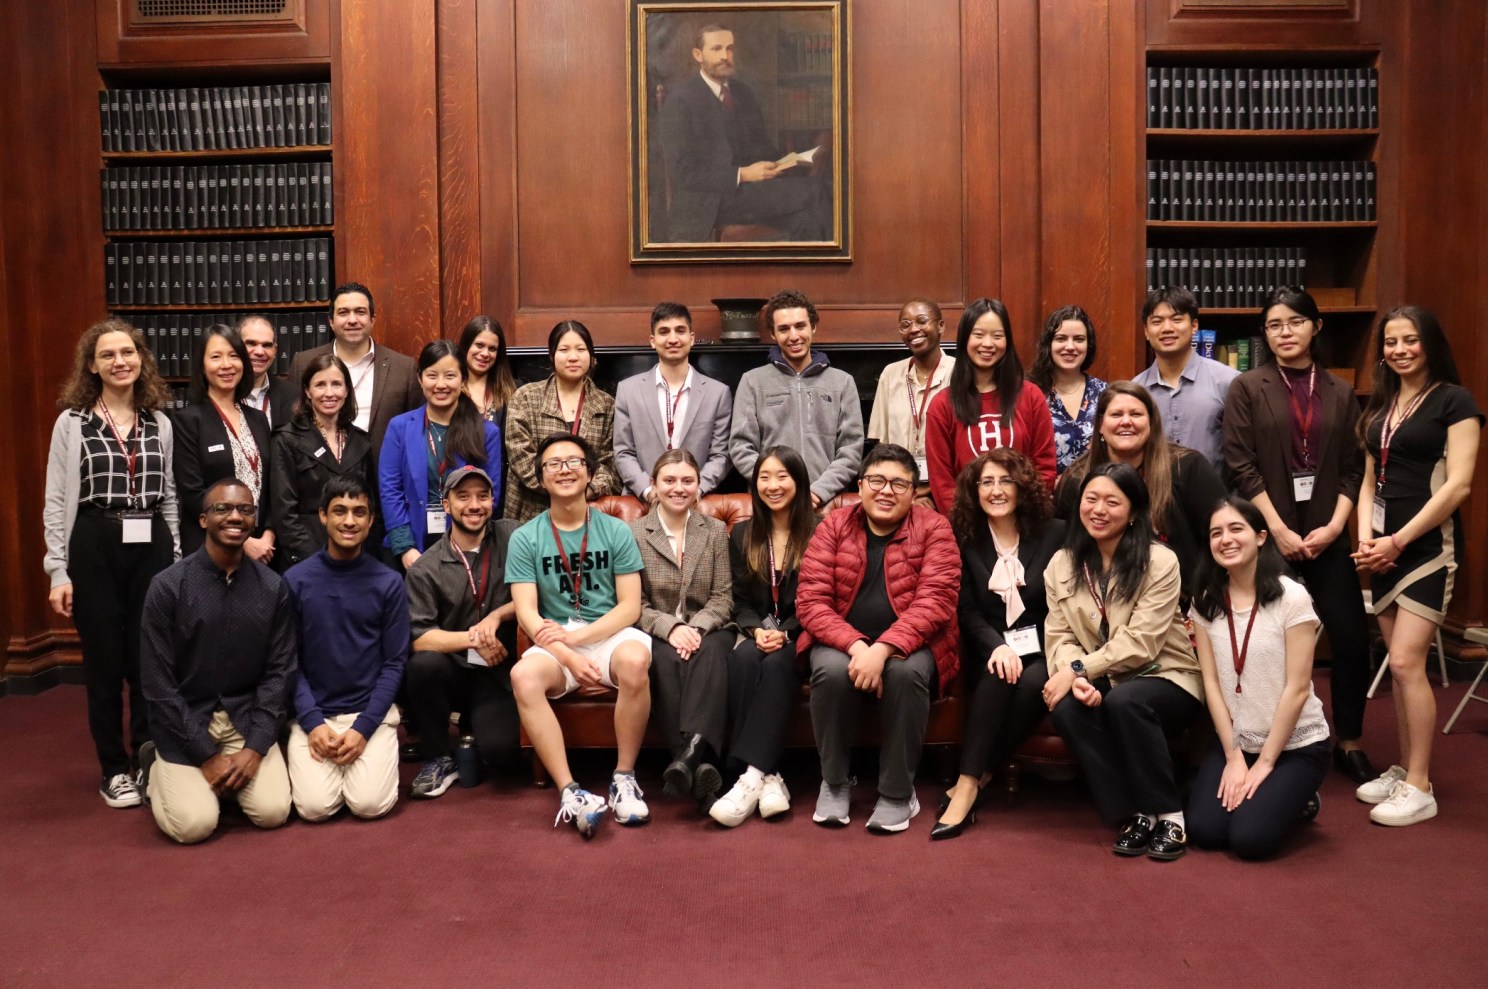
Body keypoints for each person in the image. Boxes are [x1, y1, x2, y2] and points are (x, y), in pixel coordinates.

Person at [1222, 287, 1376, 784]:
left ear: (1316, 327)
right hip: (1272, 539)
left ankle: (1348, 739)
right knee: (1270, 646)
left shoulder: (1339, 391)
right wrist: (1279, 530)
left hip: (1328, 536)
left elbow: (1354, 468)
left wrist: (1336, 525)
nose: (1284, 333)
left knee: (1352, 640)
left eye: (1294, 322)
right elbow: (1241, 466)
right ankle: (1273, 739)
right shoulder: (1248, 386)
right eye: (1273, 325)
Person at [1352, 305, 1482, 826]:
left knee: (1407, 663)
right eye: (1390, 342)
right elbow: (1366, 483)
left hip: (1426, 550)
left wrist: (1399, 541)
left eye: (1410, 340)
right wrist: (1365, 539)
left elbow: (1459, 484)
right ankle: (1405, 769)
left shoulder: (1455, 401)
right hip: (1380, 550)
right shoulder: (1380, 408)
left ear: (1430, 344)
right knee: (1398, 661)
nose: (1399, 350)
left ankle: (1421, 787)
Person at [44, 318, 181, 808]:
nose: (120, 362)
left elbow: (167, 498)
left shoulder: (158, 421)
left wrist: (178, 558)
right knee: (103, 662)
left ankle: (146, 758)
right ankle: (113, 768)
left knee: (149, 659)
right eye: (109, 355)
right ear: (92, 365)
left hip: (151, 544)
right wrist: (57, 569)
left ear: (141, 359)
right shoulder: (73, 422)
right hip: (94, 542)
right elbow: (57, 498)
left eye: (129, 352)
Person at [796, 443, 961, 834]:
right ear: (860, 484)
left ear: (915, 492)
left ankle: (898, 793)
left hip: (913, 644)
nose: (886, 491)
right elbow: (811, 601)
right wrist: (857, 647)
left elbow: (936, 602)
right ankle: (835, 783)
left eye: (899, 484)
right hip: (842, 642)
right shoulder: (833, 525)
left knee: (904, 675)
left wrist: (883, 648)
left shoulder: (935, 527)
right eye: (877, 480)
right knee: (833, 672)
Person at [1043, 463, 1204, 860]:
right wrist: (1073, 675)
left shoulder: (1160, 561)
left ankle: (1170, 815)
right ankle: (1136, 811)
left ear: (1133, 512)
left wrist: (1079, 670)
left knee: (1125, 700)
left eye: (1112, 502)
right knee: (1066, 705)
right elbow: (1060, 636)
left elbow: (1142, 643)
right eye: (1091, 499)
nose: (1099, 509)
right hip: (1104, 675)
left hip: (1168, 674)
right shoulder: (1061, 564)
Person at [506, 434, 653, 837]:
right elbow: (527, 613)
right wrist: (567, 654)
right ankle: (571, 792)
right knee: (522, 677)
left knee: (636, 662)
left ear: (590, 473)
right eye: (553, 464)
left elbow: (630, 607)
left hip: (609, 632)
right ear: (540, 478)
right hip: (554, 640)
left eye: (574, 462)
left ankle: (623, 778)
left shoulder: (616, 531)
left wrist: (580, 640)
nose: (565, 469)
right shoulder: (525, 538)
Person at [138, 478, 294, 844]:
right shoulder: (168, 586)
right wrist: (204, 755)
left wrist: (256, 747)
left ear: (254, 520)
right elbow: (157, 684)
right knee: (195, 826)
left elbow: (280, 673)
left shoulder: (273, 588)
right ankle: (156, 768)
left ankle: (224, 782)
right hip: (187, 720)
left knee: (273, 813)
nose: (234, 517)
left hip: (246, 717)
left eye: (244, 509)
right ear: (204, 519)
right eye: (222, 509)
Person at [1186, 496, 1330, 859]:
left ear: (1261, 537)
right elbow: (1213, 684)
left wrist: (1264, 763)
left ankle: (1300, 798)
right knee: (1205, 830)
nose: (1226, 539)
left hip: (1294, 746)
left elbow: (1297, 690)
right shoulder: (1206, 599)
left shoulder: (1291, 598)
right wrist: (1234, 756)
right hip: (1239, 743)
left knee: (1250, 841)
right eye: (1216, 533)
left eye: (1237, 529)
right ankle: (1271, 794)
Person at [933, 449, 1064, 839]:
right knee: (997, 674)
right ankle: (971, 782)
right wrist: (997, 647)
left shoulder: (1055, 533)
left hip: (1044, 645)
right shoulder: (964, 538)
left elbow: (1064, 605)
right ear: (974, 491)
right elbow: (967, 611)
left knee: (1029, 682)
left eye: (1005, 480)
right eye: (986, 482)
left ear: (1022, 487)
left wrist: (1031, 647)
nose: (996, 490)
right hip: (988, 645)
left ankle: (975, 778)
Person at [283, 476, 407, 822]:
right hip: (315, 713)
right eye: (339, 511)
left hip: (369, 713)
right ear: (323, 516)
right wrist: (312, 722)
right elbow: (289, 662)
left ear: (370, 521)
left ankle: (364, 761)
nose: (349, 521)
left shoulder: (389, 582)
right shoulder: (296, 580)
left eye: (358, 512)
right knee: (314, 808)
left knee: (368, 805)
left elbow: (394, 664)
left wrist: (364, 728)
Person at [710, 445, 817, 827]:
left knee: (776, 667)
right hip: (758, 632)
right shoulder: (741, 534)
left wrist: (786, 635)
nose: (772, 485)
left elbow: (821, 599)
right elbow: (740, 600)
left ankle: (748, 775)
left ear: (798, 481)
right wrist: (756, 630)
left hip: (806, 633)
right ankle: (770, 778)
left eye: (782, 476)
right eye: (764, 477)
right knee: (740, 659)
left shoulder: (821, 531)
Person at [403, 466, 522, 798]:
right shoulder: (426, 568)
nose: (474, 505)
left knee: (502, 755)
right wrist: (477, 638)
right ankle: (439, 755)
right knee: (423, 664)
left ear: (492, 501)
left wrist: (496, 616)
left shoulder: (514, 536)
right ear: (446, 504)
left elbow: (536, 593)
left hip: (498, 672)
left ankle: (475, 728)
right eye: (463, 496)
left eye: (483, 496)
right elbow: (421, 637)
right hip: (453, 669)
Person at [656, 22, 830, 242]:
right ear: (697, 54)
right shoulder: (682, 100)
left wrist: (790, 162)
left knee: (809, 219)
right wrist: (743, 174)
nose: (725, 56)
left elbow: (762, 149)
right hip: (708, 202)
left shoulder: (742, 93)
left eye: (730, 48)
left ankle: (807, 275)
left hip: (750, 193)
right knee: (816, 190)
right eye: (716, 49)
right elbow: (684, 172)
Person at [629, 450, 734, 811]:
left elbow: (723, 597)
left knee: (713, 653)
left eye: (687, 480)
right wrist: (670, 627)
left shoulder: (715, 530)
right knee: (664, 659)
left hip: (709, 626)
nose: (679, 488)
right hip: (657, 629)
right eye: (669, 480)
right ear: (654, 486)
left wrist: (696, 628)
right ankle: (700, 768)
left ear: (698, 486)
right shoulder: (634, 533)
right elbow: (634, 604)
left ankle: (685, 762)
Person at [1056, 381, 1225, 596]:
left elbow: (1221, 533)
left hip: (1182, 600)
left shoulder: (1187, 467)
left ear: (1151, 423)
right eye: (1116, 415)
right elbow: (1068, 548)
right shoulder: (1076, 478)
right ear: (1100, 425)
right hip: (1098, 601)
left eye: (1136, 414)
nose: (1126, 422)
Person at [730, 289, 864, 508]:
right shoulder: (753, 381)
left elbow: (851, 449)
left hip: (826, 505)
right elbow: (740, 447)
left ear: (813, 326)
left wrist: (818, 492)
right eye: (784, 329)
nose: (793, 336)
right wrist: (776, 487)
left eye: (800, 326)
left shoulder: (842, 382)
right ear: (773, 334)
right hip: (771, 502)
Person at [379, 340, 503, 570]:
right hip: (408, 547)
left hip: (466, 548)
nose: (440, 384)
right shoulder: (400, 427)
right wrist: (405, 548)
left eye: (450, 376)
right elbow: (390, 491)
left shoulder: (487, 433)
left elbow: (491, 494)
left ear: (463, 379)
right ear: (420, 378)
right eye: (432, 375)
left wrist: (464, 544)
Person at [924, 297, 1057, 510]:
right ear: (964, 339)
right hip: (966, 528)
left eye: (997, 336)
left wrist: (1018, 515)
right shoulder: (942, 405)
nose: (988, 344)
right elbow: (942, 481)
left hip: (1024, 521)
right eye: (978, 335)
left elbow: (1045, 466)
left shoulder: (1031, 396)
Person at [172, 323, 275, 561]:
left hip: (262, 549)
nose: (227, 365)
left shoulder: (258, 419)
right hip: (209, 548)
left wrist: (268, 534)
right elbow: (193, 494)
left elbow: (272, 485)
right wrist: (243, 539)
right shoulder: (188, 421)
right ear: (202, 365)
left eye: (234, 356)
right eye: (216, 357)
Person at [613, 302, 733, 502]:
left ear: (691, 338)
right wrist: (649, 491)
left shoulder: (717, 393)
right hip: (642, 502)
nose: (673, 339)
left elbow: (721, 456)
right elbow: (623, 452)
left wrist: (695, 490)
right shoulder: (628, 390)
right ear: (653, 340)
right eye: (664, 332)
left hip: (696, 502)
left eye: (680, 331)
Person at [504, 320, 620, 523]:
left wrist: (584, 491)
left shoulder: (606, 404)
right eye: (564, 349)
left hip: (586, 512)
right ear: (552, 355)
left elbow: (610, 467)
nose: (573, 357)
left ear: (591, 357)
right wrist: (563, 488)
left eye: (581, 349)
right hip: (531, 513)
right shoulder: (526, 397)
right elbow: (520, 458)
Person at [287, 282, 421, 454]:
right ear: (331, 322)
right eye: (343, 313)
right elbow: (294, 423)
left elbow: (414, 431)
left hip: (380, 474)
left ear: (372, 320)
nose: (352, 320)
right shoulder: (304, 363)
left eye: (360, 312)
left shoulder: (404, 368)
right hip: (318, 473)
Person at [269, 353, 374, 569]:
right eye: (320, 385)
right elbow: (284, 511)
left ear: (346, 390)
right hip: (306, 559)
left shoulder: (360, 441)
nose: (329, 393)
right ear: (308, 391)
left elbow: (373, 506)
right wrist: (311, 560)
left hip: (355, 557)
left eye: (336, 384)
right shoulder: (287, 440)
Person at [1132, 285, 1239, 471]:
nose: (1167, 328)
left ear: (1194, 326)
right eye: (1157, 322)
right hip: (1156, 498)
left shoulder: (1228, 382)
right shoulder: (1136, 390)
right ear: (1146, 332)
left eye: (1177, 319)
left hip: (1217, 498)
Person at [867, 298, 956, 503]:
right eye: (905, 325)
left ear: (941, 326)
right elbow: (882, 446)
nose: (914, 329)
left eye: (922, 321)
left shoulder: (960, 373)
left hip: (948, 488)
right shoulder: (890, 374)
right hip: (899, 490)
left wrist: (935, 494)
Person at [1027, 305, 1107, 475]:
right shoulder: (1030, 393)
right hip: (1043, 496)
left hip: (1094, 496)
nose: (1070, 347)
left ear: (1088, 345)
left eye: (1079, 339)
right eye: (1061, 338)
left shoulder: (1104, 393)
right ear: (1048, 344)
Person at [237, 314, 297, 430]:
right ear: (235, 346)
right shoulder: (220, 394)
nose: (259, 351)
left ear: (275, 351)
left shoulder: (292, 395)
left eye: (267, 345)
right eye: (251, 343)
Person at [457, 314, 517, 430]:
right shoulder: (450, 388)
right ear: (466, 346)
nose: (485, 354)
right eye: (479, 345)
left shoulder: (513, 391)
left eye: (492, 349)